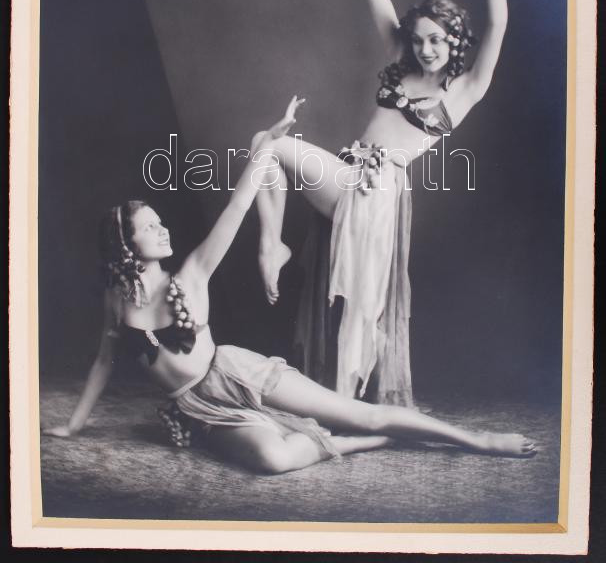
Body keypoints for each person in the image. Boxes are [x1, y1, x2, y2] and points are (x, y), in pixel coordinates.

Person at [44, 98, 536, 474]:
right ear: (125, 244)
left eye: (159, 221)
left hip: (237, 373)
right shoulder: (117, 299)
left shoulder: (192, 271)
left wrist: (267, 148)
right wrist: (74, 424)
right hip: (197, 407)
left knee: (359, 414)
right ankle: (357, 443)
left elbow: (239, 204)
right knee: (272, 460)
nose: (163, 229)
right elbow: (104, 360)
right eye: (150, 227)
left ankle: (478, 440)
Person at [255, 0, 522, 408]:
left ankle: (345, 407)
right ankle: (272, 244)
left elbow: (498, 23)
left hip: (380, 196)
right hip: (349, 174)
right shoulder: (399, 61)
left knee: (361, 308)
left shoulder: (465, 90)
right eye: (419, 40)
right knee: (269, 146)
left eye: (437, 41)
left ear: (455, 41)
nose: (426, 50)